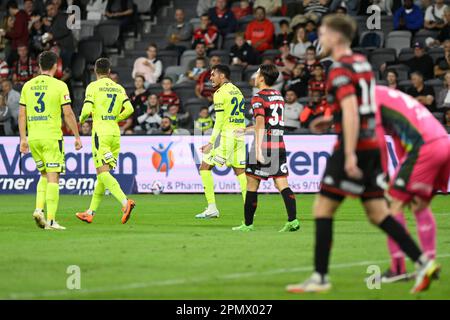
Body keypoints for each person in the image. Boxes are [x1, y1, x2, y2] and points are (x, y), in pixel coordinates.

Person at [286, 14, 439, 294]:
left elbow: (353, 111)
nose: (319, 38)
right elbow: (359, 105)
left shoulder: (340, 69)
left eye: (322, 33)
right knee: (378, 213)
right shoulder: (361, 63)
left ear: (335, 37)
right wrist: (331, 120)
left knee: (322, 208)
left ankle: (320, 277)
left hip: (353, 146)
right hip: (374, 146)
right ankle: (423, 262)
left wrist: (349, 155)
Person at [375, 85, 448, 283]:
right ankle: (429, 264)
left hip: (424, 147)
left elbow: (380, 143)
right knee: (420, 205)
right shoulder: (392, 95)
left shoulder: (371, 101)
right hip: (443, 141)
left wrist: (383, 175)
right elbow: (399, 140)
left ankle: (397, 268)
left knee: (392, 205)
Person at [18, 50, 82, 230]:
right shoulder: (59, 86)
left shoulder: (28, 86)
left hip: (34, 137)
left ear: (39, 66)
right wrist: (77, 136)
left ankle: (39, 209)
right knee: (54, 177)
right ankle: (52, 221)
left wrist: (23, 138)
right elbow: (67, 113)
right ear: (56, 65)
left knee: (44, 175)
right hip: (52, 136)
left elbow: (22, 114)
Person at [232, 63, 300, 232]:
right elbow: (269, 123)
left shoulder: (258, 98)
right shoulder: (278, 96)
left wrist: (258, 149)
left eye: (256, 73)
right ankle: (293, 221)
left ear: (262, 78)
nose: (255, 76)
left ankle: (247, 225)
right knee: (282, 184)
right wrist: (246, 129)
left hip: (263, 146)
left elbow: (261, 125)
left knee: (251, 185)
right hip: (278, 144)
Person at [76, 58, 135, 225]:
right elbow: (129, 109)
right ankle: (90, 212)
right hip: (115, 133)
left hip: (100, 133)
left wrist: (81, 119)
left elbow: (87, 110)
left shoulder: (93, 87)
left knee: (102, 173)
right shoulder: (118, 88)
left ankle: (125, 203)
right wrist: (117, 117)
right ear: (109, 72)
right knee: (103, 174)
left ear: (95, 71)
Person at [196, 64, 247, 219]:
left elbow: (219, 121)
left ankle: (212, 208)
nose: (210, 78)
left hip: (228, 137)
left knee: (204, 167)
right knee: (240, 172)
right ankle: (249, 208)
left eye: (213, 75)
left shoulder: (219, 93)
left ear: (222, 76)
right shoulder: (237, 91)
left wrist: (211, 143)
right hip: (240, 135)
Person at [43, 1, 75, 69]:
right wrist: (47, 26)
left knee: (65, 70)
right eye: (48, 10)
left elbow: (65, 30)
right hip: (58, 49)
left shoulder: (63, 16)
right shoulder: (51, 20)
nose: (50, 12)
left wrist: (53, 35)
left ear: (56, 7)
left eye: (51, 9)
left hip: (66, 48)